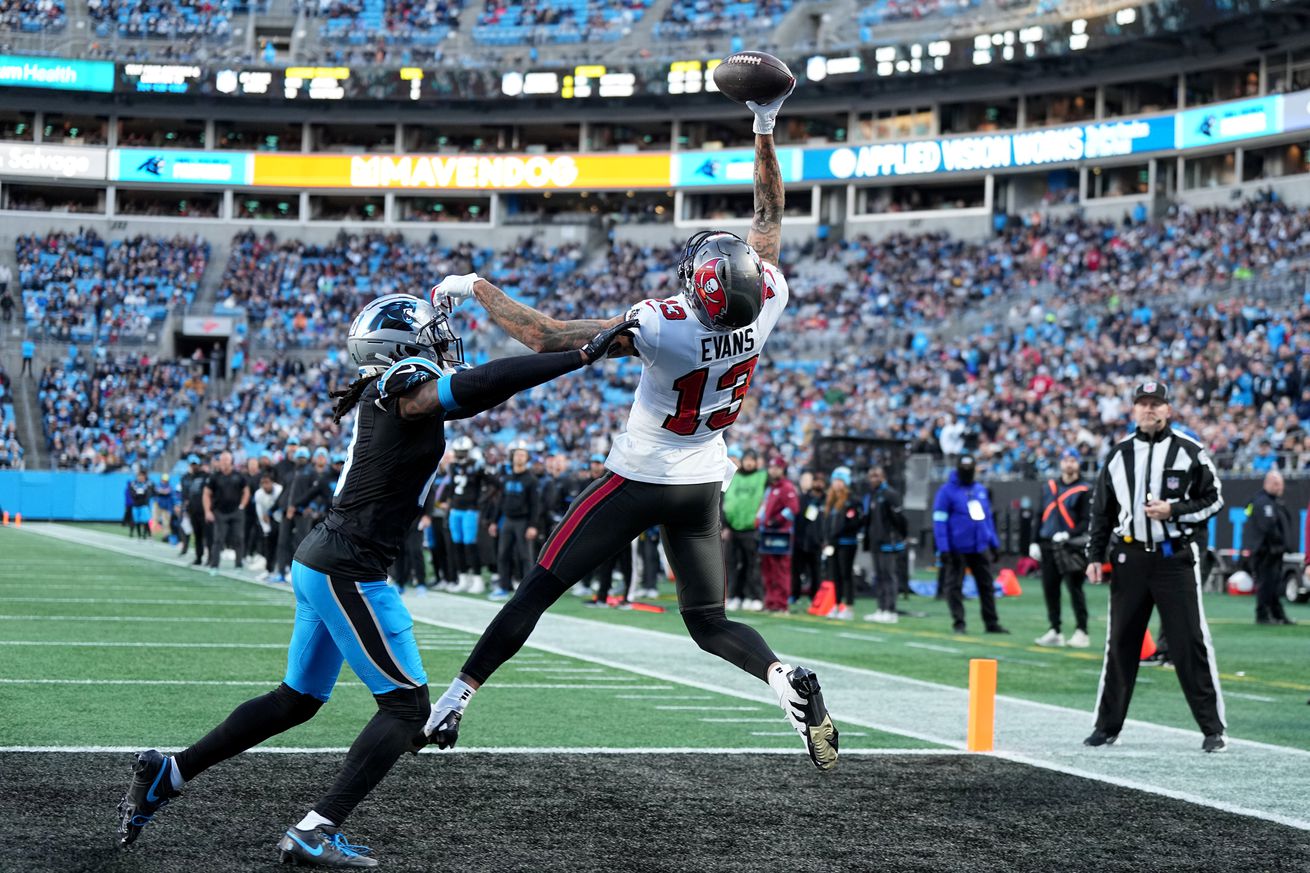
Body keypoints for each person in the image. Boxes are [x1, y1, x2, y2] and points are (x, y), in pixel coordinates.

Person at [116, 292, 635, 863]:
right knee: (407, 708)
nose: (443, 340)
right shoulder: (403, 384)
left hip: (325, 559)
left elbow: (477, 387)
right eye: (432, 332)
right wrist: (579, 355)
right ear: (403, 347)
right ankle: (314, 829)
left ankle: (171, 772)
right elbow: (473, 388)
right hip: (348, 566)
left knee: (296, 700)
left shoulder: (388, 384)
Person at [421, 84, 839, 772]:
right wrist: (764, 122)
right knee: (709, 621)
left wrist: (474, 286)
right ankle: (779, 677)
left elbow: (544, 334)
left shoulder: (661, 325)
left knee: (538, 588)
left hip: (640, 474)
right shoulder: (767, 299)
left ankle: (454, 701)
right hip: (703, 477)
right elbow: (767, 214)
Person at [1084, 380, 1227, 752]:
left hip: (1173, 557)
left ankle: (1213, 730)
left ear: (1168, 410)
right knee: (1120, 644)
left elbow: (1215, 500)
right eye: (1143, 404)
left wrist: (1174, 510)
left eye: (1156, 404)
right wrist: (1095, 556)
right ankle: (1107, 726)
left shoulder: (1190, 452)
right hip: (1129, 557)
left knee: (1189, 642)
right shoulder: (1118, 455)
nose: (1149, 410)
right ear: (1134, 410)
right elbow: (1102, 510)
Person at [933, 455, 1009, 635]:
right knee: (954, 586)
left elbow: (986, 519)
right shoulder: (946, 492)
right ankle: (959, 622)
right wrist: (943, 547)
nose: (967, 472)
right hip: (956, 548)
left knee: (987, 586)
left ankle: (991, 622)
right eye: (964, 468)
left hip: (979, 546)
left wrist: (993, 543)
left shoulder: (980, 490)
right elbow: (939, 521)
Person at [1035, 448, 1092, 648]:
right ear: (1060, 463)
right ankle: (1055, 629)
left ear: (1078, 463)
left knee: (1074, 588)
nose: (1069, 464)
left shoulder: (1085, 489)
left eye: (1072, 460)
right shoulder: (1049, 486)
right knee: (1050, 588)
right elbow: (1040, 514)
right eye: (1065, 460)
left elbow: (1087, 520)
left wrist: (1070, 534)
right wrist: (1035, 540)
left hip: (1070, 546)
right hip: (1048, 543)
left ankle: (1081, 630)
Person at [488, 441, 539, 601]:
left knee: (525, 556)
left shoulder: (531, 479)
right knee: (503, 554)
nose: (519, 457)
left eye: (523, 455)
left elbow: (535, 505)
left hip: (523, 522)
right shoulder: (507, 477)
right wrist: (494, 521)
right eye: (517, 454)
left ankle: (528, 591)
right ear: (513, 457)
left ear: (527, 458)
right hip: (507, 521)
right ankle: (504, 587)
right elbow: (500, 501)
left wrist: (532, 525)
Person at [1246, 469, 1296, 626]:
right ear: (1267, 483)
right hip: (1266, 551)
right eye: (1276, 484)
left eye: (1280, 484)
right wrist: (1279, 544)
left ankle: (1277, 614)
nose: (1279, 487)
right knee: (1266, 583)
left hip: (1275, 551)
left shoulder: (1275, 502)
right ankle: (1262, 614)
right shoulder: (1262, 502)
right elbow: (1267, 528)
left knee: (1273, 583)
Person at [723, 448, 766, 611]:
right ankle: (735, 596)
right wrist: (725, 525)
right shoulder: (733, 477)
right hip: (733, 528)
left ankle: (754, 596)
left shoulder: (762, 477)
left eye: (751, 459)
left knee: (752, 564)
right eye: (746, 459)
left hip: (751, 528)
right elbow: (725, 503)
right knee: (733, 564)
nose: (748, 462)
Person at [863, 465, 907, 624]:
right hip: (876, 541)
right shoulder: (873, 495)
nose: (873, 479)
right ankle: (881, 608)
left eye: (876, 476)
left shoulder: (890, 494)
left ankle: (891, 609)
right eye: (871, 476)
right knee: (879, 576)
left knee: (889, 576)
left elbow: (900, 519)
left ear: (883, 477)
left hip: (889, 542)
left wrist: (899, 537)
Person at [446, 435, 488, 594]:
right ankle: (463, 577)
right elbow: (451, 487)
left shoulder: (477, 467)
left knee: (470, 545)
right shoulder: (453, 466)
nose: (460, 455)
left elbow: (493, 484)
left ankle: (477, 578)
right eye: (458, 452)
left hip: (470, 510)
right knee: (457, 545)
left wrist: (480, 501)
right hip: (455, 510)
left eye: (463, 452)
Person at [819, 467, 862, 620]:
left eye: (840, 480)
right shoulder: (830, 500)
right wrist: (826, 539)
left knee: (846, 574)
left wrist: (837, 534)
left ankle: (849, 607)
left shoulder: (853, 500)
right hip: (832, 544)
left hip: (846, 543)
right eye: (835, 480)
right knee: (834, 575)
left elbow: (854, 522)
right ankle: (837, 605)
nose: (837, 484)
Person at [759, 455, 799, 613]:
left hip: (781, 534)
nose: (773, 470)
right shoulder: (771, 488)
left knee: (781, 569)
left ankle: (782, 604)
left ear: (782, 470)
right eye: (771, 467)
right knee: (768, 569)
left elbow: (793, 508)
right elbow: (763, 508)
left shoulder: (787, 487)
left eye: (776, 467)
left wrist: (777, 520)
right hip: (768, 533)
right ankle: (770, 602)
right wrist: (759, 522)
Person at [204, 451, 249, 572]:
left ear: (231, 461)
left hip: (236, 511)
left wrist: (242, 506)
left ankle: (238, 564)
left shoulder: (239, 476)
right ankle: (214, 566)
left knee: (238, 538)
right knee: (218, 539)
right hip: (220, 512)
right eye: (222, 460)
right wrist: (207, 511)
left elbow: (246, 491)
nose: (224, 462)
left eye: (226, 460)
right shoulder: (214, 477)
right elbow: (206, 494)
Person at [792, 470, 826, 603]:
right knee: (797, 570)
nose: (818, 484)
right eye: (816, 481)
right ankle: (795, 595)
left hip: (817, 542)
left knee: (816, 571)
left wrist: (823, 539)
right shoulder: (803, 498)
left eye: (821, 481)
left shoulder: (826, 499)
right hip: (801, 540)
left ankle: (815, 597)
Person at [252, 472, 284, 579]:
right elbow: (260, 512)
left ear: (273, 483)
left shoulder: (280, 490)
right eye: (263, 483)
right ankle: (269, 570)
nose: (265, 485)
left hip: (282, 519)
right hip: (269, 520)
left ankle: (284, 569)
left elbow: (282, 506)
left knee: (283, 545)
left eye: (267, 482)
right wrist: (266, 528)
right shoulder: (259, 494)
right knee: (269, 545)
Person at [179, 454, 209, 564]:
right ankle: (198, 557)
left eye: (195, 464)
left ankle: (210, 558)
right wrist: (185, 508)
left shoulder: (205, 476)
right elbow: (184, 495)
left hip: (204, 510)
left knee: (207, 534)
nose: (194, 466)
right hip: (192, 510)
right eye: (192, 464)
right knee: (197, 535)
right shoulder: (185, 478)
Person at [128, 470, 154, 540]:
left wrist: (142, 495)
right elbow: (132, 493)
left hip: (144, 505)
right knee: (137, 521)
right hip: (136, 505)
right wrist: (137, 494)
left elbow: (149, 493)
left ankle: (149, 535)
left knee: (146, 521)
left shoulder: (147, 484)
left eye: (142, 476)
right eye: (139, 476)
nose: (140, 478)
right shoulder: (133, 484)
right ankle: (139, 536)